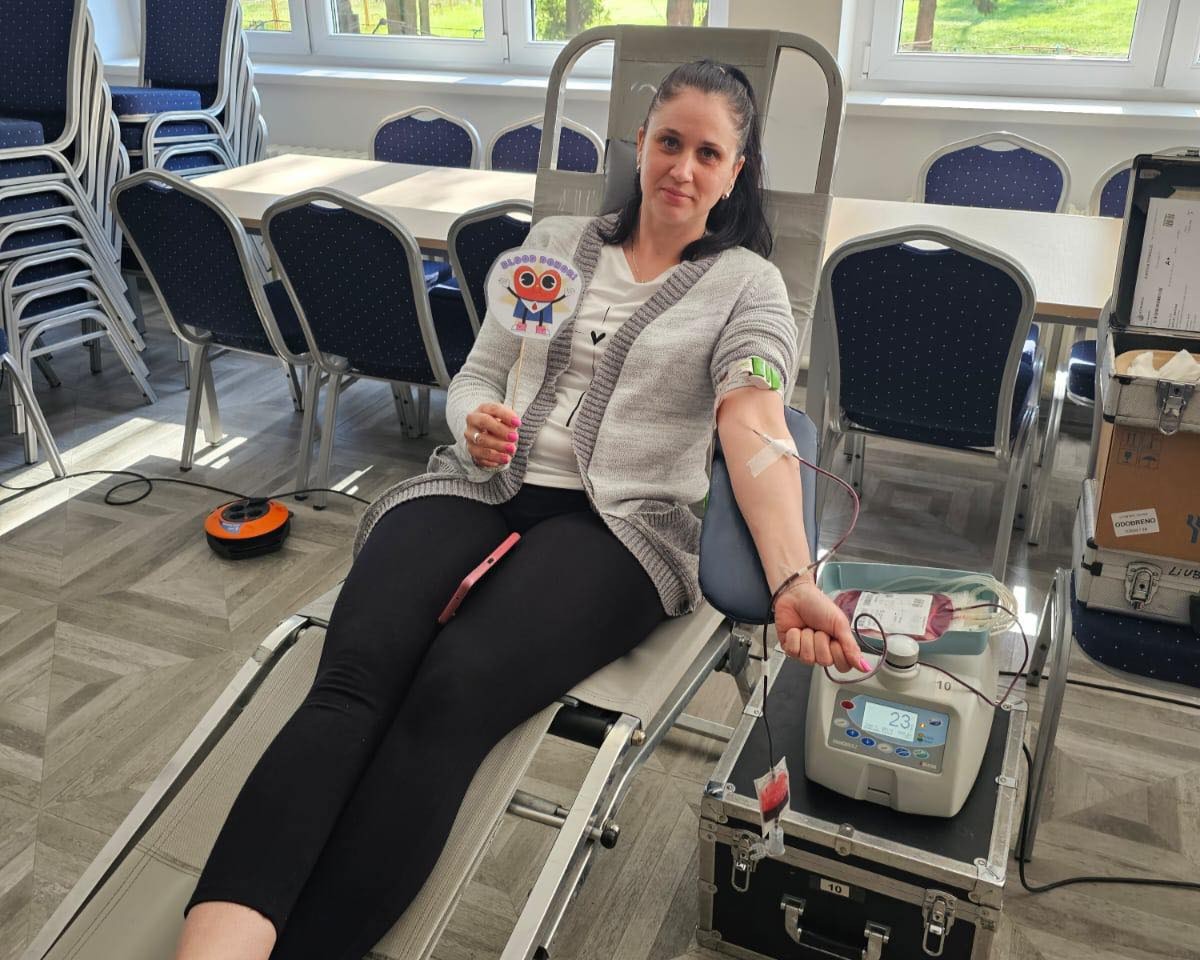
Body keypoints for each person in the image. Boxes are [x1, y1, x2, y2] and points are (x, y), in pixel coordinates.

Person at [174, 59, 864, 960]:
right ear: (640, 145)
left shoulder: (748, 286)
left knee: (452, 694)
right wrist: (473, 419)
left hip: (620, 530)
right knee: (350, 681)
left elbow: (755, 422)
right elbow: (479, 375)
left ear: (736, 172)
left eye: (708, 153)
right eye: (668, 141)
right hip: (479, 485)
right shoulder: (554, 243)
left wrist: (793, 578)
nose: (682, 168)